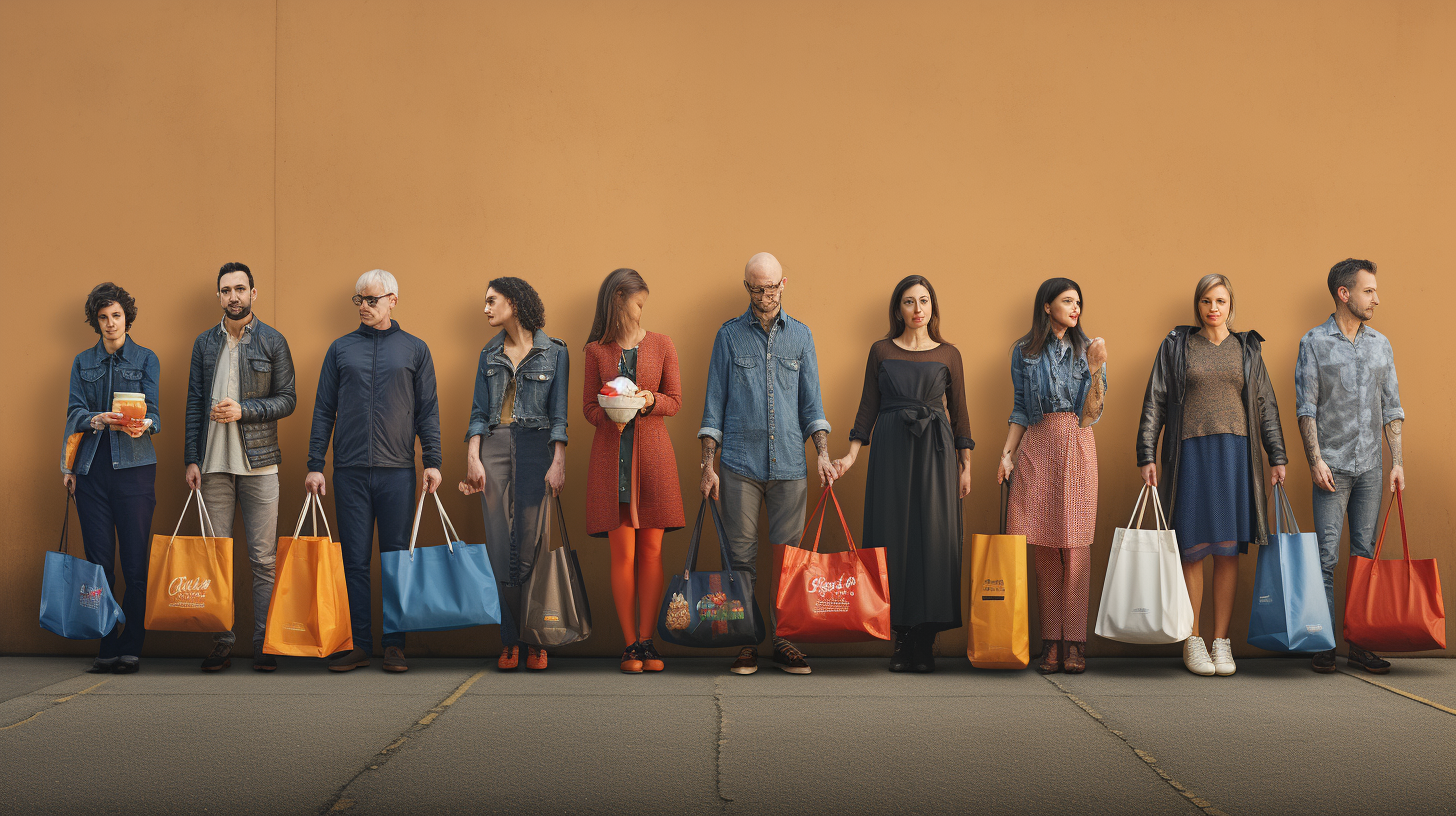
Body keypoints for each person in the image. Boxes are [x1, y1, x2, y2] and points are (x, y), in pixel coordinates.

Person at [1137, 274, 1287, 677]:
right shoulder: (1177, 346)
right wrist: (1146, 452)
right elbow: (1156, 400)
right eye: (1206, 300)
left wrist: (1277, 454)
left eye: (1220, 300)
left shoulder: (1246, 348)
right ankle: (1193, 639)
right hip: (1191, 455)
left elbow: (1266, 404)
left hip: (1236, 455)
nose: (1213, 308)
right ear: (1198, 305)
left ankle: (1221, 642)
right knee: (1192, 547)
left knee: (1225, 549)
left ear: (1230, 305)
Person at [699, 252, 834, 676]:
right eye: (756, 288)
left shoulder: (802, 337)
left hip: (792, 464)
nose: (765, 295)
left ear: (784, 283)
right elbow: (713, 408)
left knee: (791, 559)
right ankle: (745, 643)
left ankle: (785, 640)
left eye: (771, 287)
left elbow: (812, 406)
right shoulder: (728, 336)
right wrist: (708, 465)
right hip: (739, 463)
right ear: (747, 288)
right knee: (739, 559)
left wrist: (823, 457)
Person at [832, 275, 973, 673]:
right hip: (891, 451)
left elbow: (961, 412)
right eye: (909, 302)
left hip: (937, 452)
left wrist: (966, 465)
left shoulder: (949, 354)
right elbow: (867, 407)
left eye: (924, 301)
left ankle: (925, 641)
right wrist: (851, 455)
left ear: (932, 307)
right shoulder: (880, 351)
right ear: (898, 309)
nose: (917, 309)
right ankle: (900, 640)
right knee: (890, 537)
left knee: (934, 540)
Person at [306, 269, 442, 674]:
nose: (364, 307)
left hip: (397, 471)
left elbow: (427, 411)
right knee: (354, 562)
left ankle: (395, 645)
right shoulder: (340, 349)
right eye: (359, 300)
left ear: (393, 300)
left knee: (396, 560)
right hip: (348, 472)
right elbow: (322, 410)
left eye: (372, 300)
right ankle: (359, 643)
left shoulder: (415, 350)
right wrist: (316, 465)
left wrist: (432, 460)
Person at [184, 262, 295, 673]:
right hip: (212, 467)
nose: (234, 296)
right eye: (226, 290)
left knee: (264, 559)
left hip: (260, 465)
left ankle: (265, 642)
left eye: (240, 289)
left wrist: (244, 410)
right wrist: (190, 459)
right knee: (217, 558)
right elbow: (194, 403)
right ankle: (222, 642)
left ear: (253, 293)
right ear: (219, 296)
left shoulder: (272, 341)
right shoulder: (204, 344)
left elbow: (288, 399)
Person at [1295, 258, 1405, 675]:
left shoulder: (1381, 344)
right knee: (1325, 557)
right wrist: (1315, 460)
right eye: (1368, 291)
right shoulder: (1313, 343)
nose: (1376, 298)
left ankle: (1359, 644)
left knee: (1363, 555)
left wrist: (1397, 463)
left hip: (1373, 470)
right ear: (1344, 294)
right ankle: (1323, 643)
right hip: (1332, 468)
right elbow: (1306, 407)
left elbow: (1391, 407)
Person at [995, 278, 1106, 675]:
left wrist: (1092, 370)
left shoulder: (1088, 348)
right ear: (1046, 306)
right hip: (1038, 446)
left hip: (1076, 445)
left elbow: (1092, 413)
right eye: (1067, 301)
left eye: (1079, 302)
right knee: (1043, 549)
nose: (1076, 308)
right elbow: (1021, 408)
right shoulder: (1024, 352)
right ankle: (1052, 643)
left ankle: (1076, 643)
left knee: (1075, 549)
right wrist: (1007, 455)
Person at [460, 277, 568, 672]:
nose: (485, 308)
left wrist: (558, 461)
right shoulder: (488, 354)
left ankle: (535, 638)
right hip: (494, 449)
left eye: (492, 301)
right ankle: (509, 640)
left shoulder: (555, 352)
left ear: (515, 302)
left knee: (533, 544)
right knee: (499, 547)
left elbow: (559, 416)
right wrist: (473, 457)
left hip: (537, 448)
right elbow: (476, 413)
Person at [581, 269, 685, 673]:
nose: (642, 311)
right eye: (639, 302)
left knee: (653, 551)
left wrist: (647, 400)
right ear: (620, 298)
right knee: (622, 554)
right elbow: (589, 409)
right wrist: (609, 414)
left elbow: (674, 400)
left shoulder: (662, 344)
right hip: (612, 464)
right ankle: (629, 647)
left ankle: (648, 642)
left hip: (655, 462)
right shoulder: (595, 351)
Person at [61, 283, 160, 675]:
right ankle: (107, 644)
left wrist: (144, 423)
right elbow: (72, 414)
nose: (109, 323)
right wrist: (93, 422)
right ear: (95, 321)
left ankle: (131, 645)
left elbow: (156, 414)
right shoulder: (82, 362)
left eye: (116, 315)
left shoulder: (147, 358)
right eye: (102, 317)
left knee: (135, 564)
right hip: (90, 472)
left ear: (126, 318)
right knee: (99, 564)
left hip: (135, 471)